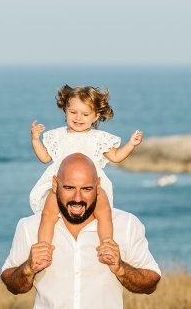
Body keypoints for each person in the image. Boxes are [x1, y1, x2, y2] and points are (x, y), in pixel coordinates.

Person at [1, 153, 161, 309]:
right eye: (69, 188)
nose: (77, 198)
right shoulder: (30, 228)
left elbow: (151, 282)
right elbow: (11, 282)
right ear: (55, 184)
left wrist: (120, 268)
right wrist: (28, 268)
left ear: (98, 185)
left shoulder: (126, 225)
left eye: (86, 189)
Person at [30, 85, 143, 259]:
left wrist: (131, 144)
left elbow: (116, 156)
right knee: (48, 213)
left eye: (85, 114)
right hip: (62, 183)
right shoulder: (58, 136)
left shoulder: (98, 138)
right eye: (73, 112)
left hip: (92, 184)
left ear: (96, 115)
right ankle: (43, 248)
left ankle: (107, 246)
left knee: (104, 211)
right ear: (65, 110)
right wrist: (35, 140)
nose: (78, 118)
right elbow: (45, 157)